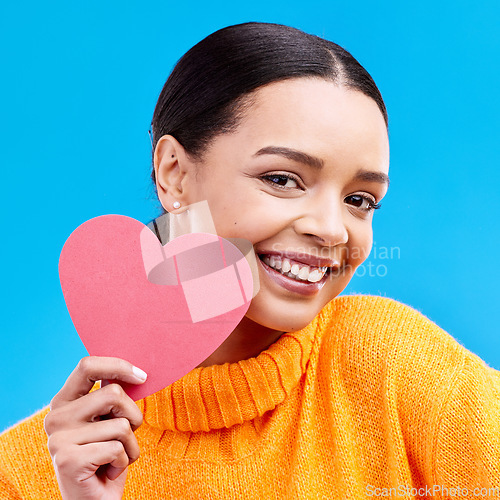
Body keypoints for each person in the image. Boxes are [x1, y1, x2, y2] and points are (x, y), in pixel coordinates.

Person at [1, 21, 499, 500]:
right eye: (282, 179)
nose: (330, 229)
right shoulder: (27, 473)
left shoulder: (390, 365)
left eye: (361, 200)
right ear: (174, 173)